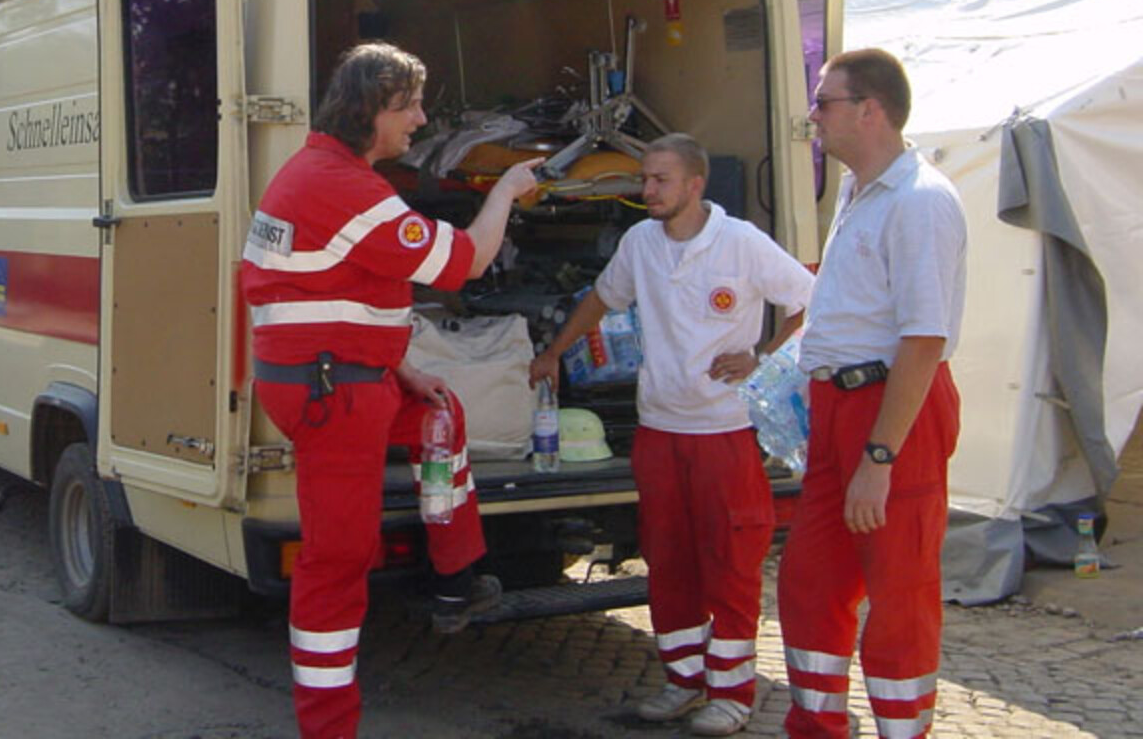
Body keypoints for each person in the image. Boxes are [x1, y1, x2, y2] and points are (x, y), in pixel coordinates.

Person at [242, 42, 541, 739]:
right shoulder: (345, 187)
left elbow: (324, 290)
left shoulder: (319, 172)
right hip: (334, 397)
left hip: (339, 380)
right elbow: (465, 262)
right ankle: (328, 723)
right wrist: (503, 193)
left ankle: (455, 577)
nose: (420, 118)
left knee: (438, 418)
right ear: (372, 109)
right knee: (337, 560)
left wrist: (400, 367)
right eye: (408, 106)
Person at [530, 134, 814, 737]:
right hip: (659, 430)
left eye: (659, 180)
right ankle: (683, 680)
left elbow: (810, 302)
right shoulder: (640, 243)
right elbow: (600, 301)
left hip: (724, 433)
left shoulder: (741, 243)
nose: (646, 190)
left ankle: (733, 692)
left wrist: (760, 356)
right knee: (668, 561)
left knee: (731, 563)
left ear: (694, 185)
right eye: (645, 178)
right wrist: (554, 352)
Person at [777, 49, 966, 739]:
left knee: (899, 596)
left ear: (870, 110)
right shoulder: (861, 192)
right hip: (839, 410)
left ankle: (902, 731)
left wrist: (879, 457)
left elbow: (922, 341)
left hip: (894, 412)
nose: (813, 116)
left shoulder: (919, 201)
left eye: (824, 103)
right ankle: (818, 728)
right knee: (808, 584)